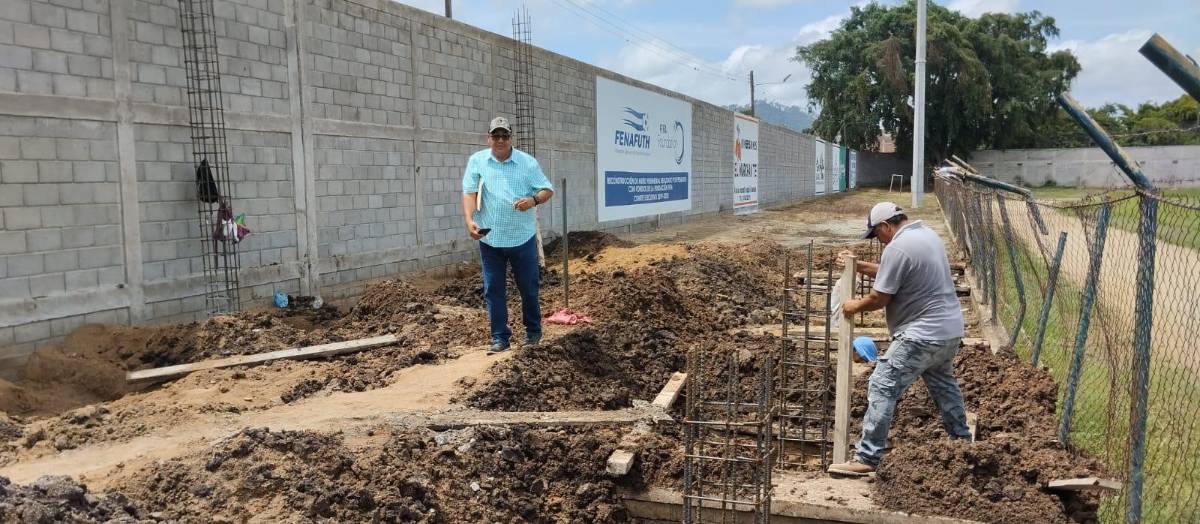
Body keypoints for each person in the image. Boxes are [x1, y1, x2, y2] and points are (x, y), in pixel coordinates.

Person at [827, 202, 971, 476]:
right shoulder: (926, 235)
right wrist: (858, 266)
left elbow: (880, 298)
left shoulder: (898, 248)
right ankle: (962, 442)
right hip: (948, 332)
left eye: (876, 235)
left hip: (921, 335)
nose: (878, 241)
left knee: (882, 385)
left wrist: (853, 306)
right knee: (943, 386)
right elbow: (894, 269)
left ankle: (867, 457)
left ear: (885, 226)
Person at [461, 116, 554, 354]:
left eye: (505, 136)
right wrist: (470, 220)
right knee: (493, 289)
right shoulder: (478, 161)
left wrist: (533, 200)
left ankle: (533, 332)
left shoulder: (527, 163)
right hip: (490, 238)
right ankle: (500, 338)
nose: (500, 140)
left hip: (521, 238)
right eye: (496, 136)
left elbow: (547, 189)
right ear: (488, 138)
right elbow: (469, 192)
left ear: (511, 138)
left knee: (528, 287)